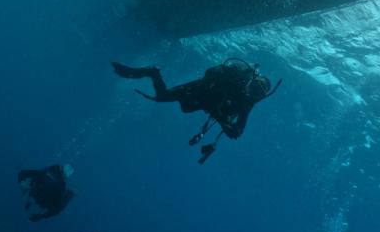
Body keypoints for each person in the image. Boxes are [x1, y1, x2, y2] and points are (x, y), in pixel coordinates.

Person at [111, 58, 281, 163]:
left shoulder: (247, 102)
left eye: (258, 93)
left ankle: (152, 72)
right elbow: (211, 75)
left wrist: (222, 120)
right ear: (251, 81)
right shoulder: (234, 79)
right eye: (255, 87)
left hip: (202, 101)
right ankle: (151, 72)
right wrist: (221, 116)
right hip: (198, 90)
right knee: (163, 96)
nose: (253, 93)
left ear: (261, 97)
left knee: (171, 100)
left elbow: (237, 132)